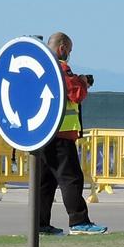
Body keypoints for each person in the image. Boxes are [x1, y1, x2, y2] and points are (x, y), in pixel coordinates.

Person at [36, 32, 106, 235]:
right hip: (61, 135)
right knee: (71, 178)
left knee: (45, 182)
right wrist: (83, 81)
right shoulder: (60, 68)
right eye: (70, 50)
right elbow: (76, 94)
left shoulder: (39, 67)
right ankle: (79, 221)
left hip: (40, 136)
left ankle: (39, 225)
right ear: (63, 48)